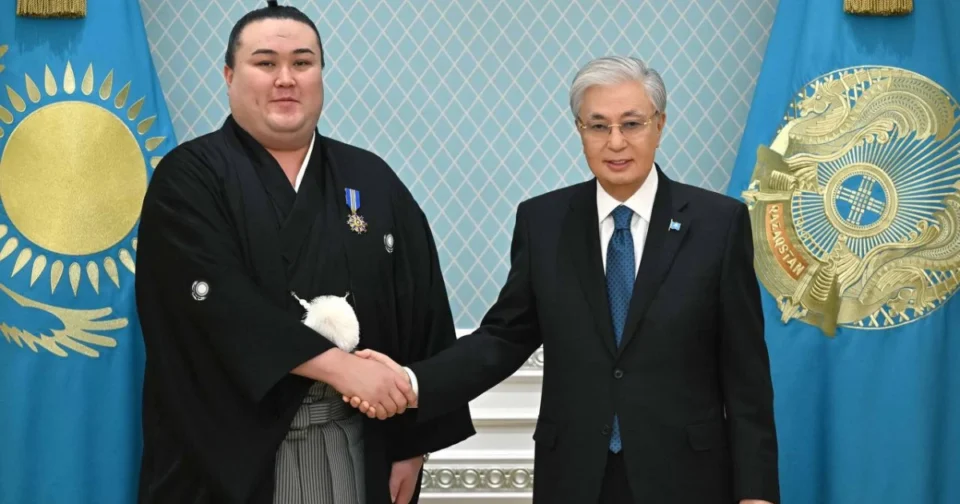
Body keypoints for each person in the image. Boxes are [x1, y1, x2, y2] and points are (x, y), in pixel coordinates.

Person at [348, 56, 780, 504]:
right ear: (579, 129)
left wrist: (757, 494)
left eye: (632, 124)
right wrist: (413, 382)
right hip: (575, 475)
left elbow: (746, 376)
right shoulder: (543, 222)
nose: (615, 142)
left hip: (687, 478)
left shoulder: (718, 224)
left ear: (660, 124)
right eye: (598, 126)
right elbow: (503, 338)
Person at [134, 2, 474, 503]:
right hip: (228, 456)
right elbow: (218, 305)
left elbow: (420, 307)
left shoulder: (371, 178)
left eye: (302, 62)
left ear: (321, 74)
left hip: (360, 442)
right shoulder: (190, 177)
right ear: (229, 76)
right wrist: (343, 368)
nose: (285, 79)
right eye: (265, 63)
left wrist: (412, 445)